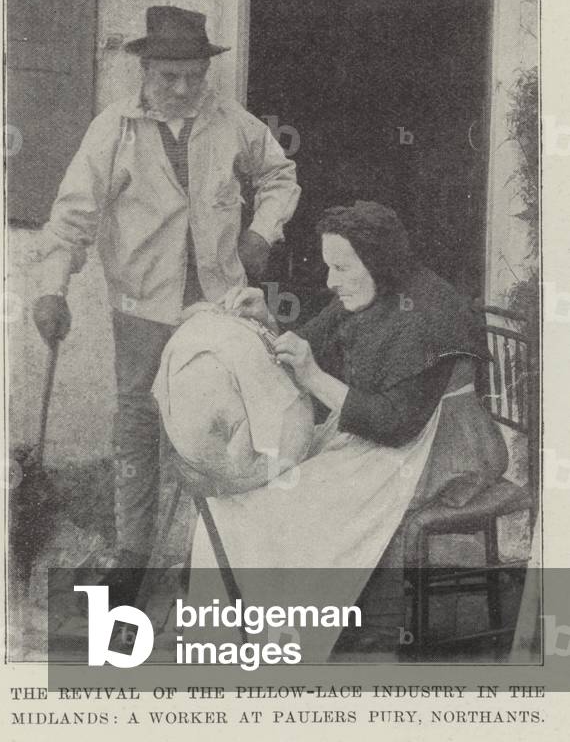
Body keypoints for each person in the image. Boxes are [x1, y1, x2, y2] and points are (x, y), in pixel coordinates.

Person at [31, 5, 301, 571]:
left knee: (221, 422)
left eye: (193, 77)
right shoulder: (113, 130)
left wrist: (260, 232)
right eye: (168, 77)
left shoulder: (230, 121)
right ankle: (132, 554)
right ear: (144, 73)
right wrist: (51, 288)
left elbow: (280, 175)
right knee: (138, 425)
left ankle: (213, 554)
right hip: (141, 307)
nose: (183, 89)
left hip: (219, 305)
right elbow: (73, 217)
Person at [185, 200, 507, 659]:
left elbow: (395, 425)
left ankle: (277, 639)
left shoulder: (428, 315)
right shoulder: (376, 289)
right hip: (382, 434)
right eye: (328, 266)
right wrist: (268, 320)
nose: (331, 281)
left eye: (341, 267)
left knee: (280, 502)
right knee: (248, 490)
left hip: (439, 448)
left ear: (376, 260)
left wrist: (314, 377)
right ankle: (251, 634)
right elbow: (314, 339)